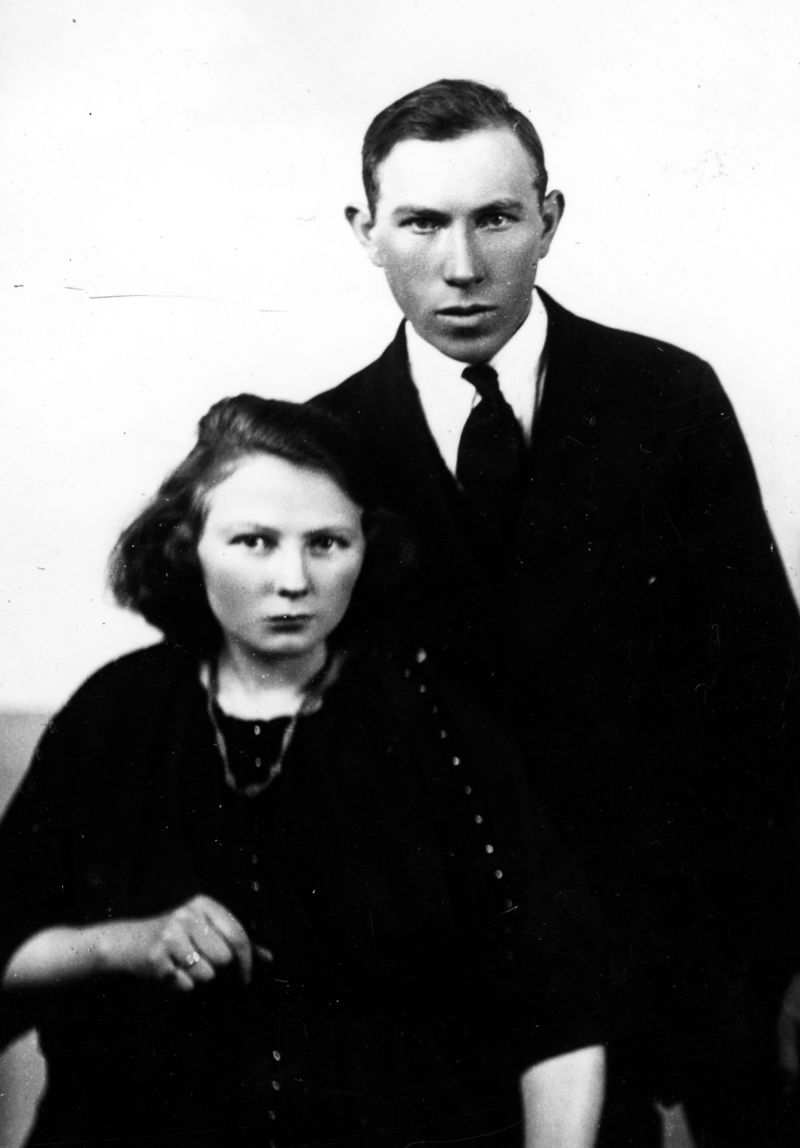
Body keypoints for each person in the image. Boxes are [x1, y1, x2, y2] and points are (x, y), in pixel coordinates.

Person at [312, 78, 800, 1145]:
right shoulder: (320, 447)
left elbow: (766, 693)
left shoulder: (667, 400)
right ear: (363, 231)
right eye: (420, 222)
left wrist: (751, 972)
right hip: (436, 990)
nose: (460, 265)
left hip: (675, 963)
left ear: (549, 218)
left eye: (495, 218)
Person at [0, 395, 612, 1148]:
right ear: (187, 546)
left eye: (326, 543)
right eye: (254, 541)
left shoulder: (437, 725)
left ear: (367, 550)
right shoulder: (115, 715)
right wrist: (122, 944)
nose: (293, 579)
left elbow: (560, 1006)